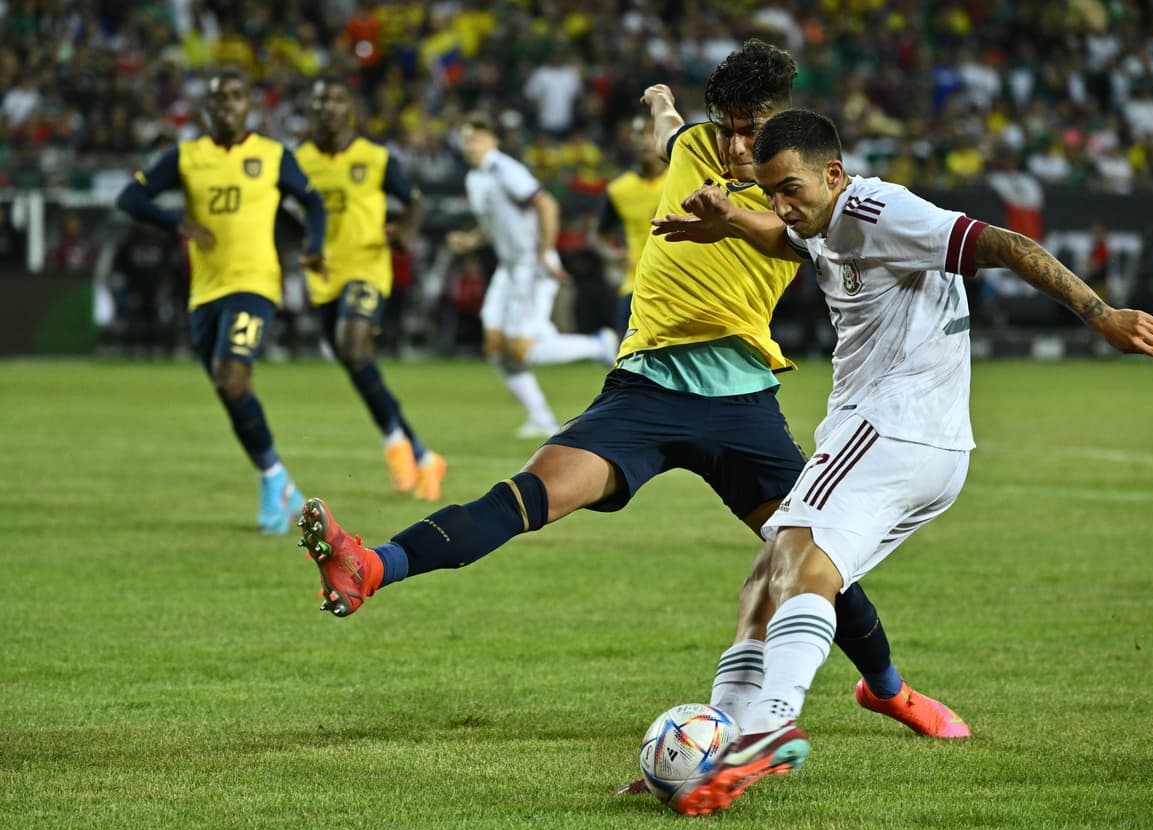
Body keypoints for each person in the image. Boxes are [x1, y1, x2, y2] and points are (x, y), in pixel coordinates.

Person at [295, 44, 958, 762]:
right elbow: (671, 135)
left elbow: (790, 234)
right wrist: (660, 105)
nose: (736, 146)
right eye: (727, 127)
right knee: (527, 495)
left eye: (751, 129)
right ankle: (371, 565)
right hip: (644, 388)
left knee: (811, 559)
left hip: (741, 399)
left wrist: (733, 217)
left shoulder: (794, 189)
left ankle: (888, 688)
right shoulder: (694, 144)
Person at [648, 109, 1153, 816]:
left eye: (790, 188)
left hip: (890, 428)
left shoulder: (878, 208)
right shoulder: (821, 219)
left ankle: (769, 726)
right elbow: (793, 234)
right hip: (922, 445)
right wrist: (735, 222)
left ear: (833, 173)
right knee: (769, 577)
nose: (780, 205)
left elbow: (1005, 244)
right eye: (769, 192)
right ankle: (719, 748)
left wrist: (1099, 311)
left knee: (798, 559)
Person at [116, 68, 327, 534]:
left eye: (236, 96)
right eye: (219, 98)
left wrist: (313, 246)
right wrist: (176, 223)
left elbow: (312, 203)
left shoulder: (272, 155)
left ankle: (274, 481)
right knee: (225, 385)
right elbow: (130, 197)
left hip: (255, 284)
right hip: (204, 292)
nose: (227, 104)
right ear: (208, 108)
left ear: (248, 104)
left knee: (231, 376)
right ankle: (277, 477)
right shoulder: (188, 157)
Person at [294, 77, 447, 501]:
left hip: (367, 266)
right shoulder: (300, 160)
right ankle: (420, 453)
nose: (326, 107)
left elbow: (414, 201)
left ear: (350, 111)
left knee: (353, 345)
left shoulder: (375, 158)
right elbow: (275, 207)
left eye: (335, 100)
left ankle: (394, 445)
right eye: (319, 100)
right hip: (324, 276)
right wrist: (303, 245)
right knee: (354, 362)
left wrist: (407, 235)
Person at [445, 110, 619, 439]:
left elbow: (547, 205)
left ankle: (597, 345)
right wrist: (471, 240)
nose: (471, 145)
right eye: (467, 139)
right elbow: (494, 221)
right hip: (509, 268)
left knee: (523, 349)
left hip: (530, 266)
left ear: (493, 141)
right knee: (495, 347)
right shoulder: (476, 177)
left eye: (478, 138)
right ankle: (540, 417)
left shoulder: (504, 169)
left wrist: (544, 251)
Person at [591, 117, 668, 334]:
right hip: (635, 286)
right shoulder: (619, 189)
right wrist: (613, 254)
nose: (645, 141)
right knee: (628, 361)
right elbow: (597, 234)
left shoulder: (683, 179)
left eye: (651, 133)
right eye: (639, 134)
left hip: (681, 286)